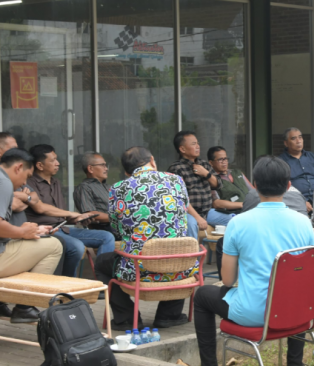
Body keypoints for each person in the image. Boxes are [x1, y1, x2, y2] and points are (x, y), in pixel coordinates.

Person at [193, 156, 314, 366]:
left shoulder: (239, 223)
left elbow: (228, 280)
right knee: (295, 288)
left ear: (255, 186)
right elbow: (305, 277)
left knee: (201, 296)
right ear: (289, 185)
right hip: (298, 312)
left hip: (255, 313)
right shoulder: (303, 222)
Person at [94, 147, 198, 330]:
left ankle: (126, 319)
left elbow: (117, 229)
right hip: (181, 267)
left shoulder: (118, 188)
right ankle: (169, 315)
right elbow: (183, 211)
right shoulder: (177, 180)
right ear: (152, 160)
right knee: (176, 251)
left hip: (139, 267)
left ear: (127, 172)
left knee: (102, 262)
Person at [0, 149, 63, 323]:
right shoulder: (2, 182)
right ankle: (25, 306)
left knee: (37, 243)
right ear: (19, 167)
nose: (25, 183)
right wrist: (22, 232)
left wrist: (30, 231)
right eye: (26, 176)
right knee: (54, 245)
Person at [26, 144, 115, 277]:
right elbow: (40, 208)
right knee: (77, 247)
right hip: (45, 230)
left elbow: (59, 214)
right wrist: (71, 213)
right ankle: (68, 286)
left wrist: (77, 219)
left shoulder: (56, 182)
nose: (58, 163)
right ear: (40, 165)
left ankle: (103, 283)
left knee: (106, 237)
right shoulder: (29, 183)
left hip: (63, 229)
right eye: (53, 160)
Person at [167, 131, 223, 237]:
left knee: (234, 219)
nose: (198, 146)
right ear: (182, 149)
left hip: (208, 212)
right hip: (188, 214)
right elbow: (180, 199)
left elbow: (219, 184)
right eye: (193, 144)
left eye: (198, 143)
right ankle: (193, 254)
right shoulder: (176, 169)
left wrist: (205, 173)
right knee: (192, 224)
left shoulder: (204, 164)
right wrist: (198, 218)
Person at [278, 127, 314, 212]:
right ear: (286, 143)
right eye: (293, 138)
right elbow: (282, 186)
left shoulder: (313, 157)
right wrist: (301, 201)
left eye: (300, 137)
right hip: (295, 204)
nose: (298, 141)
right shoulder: (281, 162)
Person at [73, 152, 117, 238]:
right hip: (104, 230)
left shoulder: (109, 187)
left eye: (106, 165)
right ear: (90, 168)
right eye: (102, 165)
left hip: (119, 227)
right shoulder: (84, 187)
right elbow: (90, 214)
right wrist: (118, 218)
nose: (106, 169)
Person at [207, 146, 253, 216]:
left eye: (225, 159)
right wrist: (242, 204)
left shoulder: (237, 173)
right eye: (220, 159)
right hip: (233, 213)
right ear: (211, 163)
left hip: (250, 209)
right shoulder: (212, 179)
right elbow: (216, 203)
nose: (224, 162)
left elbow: (253, 191)